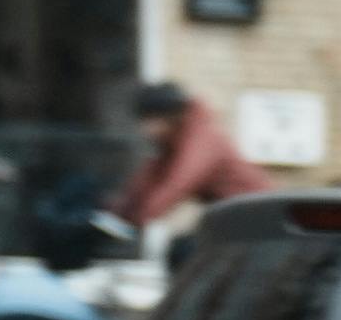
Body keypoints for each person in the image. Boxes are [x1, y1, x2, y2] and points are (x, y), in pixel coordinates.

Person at [109, 79, 273, 241]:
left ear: (171, 116)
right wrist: (118, 212)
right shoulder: (173, 142)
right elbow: (150, 177)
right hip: (232, 219)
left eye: (151, 122)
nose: (146, 131)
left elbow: (178, 183)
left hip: (259, 219)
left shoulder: (201, 139)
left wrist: (140, 218)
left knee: (185, 253)